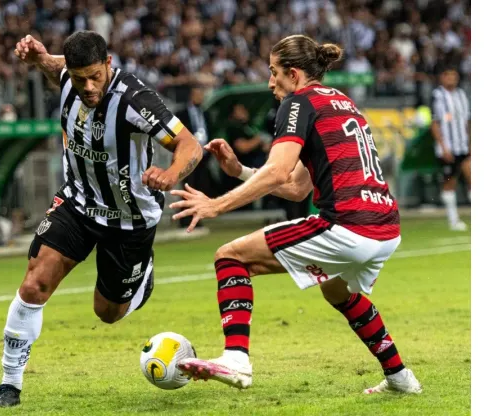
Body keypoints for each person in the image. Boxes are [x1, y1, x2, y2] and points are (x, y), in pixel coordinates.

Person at [169, 35, 422, 395]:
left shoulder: (297, 103)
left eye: (273, 73)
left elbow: (276, 172)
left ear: (293, 73)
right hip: (385, 227)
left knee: (230, 257)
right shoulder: (342, 102)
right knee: (337, 291)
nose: (270, 82)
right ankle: (400, 377)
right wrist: (240, 170)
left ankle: (236, 360)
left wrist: (215, 204)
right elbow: (296, 187)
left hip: (347, 225)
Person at [0, 31, 202, 408]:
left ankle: (142, 277)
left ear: (108, 65)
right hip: (79, 203)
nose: (86, 86)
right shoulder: (70, 77)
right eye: (79, 76)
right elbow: (57, 68)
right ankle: (9, 386)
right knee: (35, 283)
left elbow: (189, 145)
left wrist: (171, 174)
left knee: (108, 312)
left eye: (94, 76)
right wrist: (38, 57)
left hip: (130, 218)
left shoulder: (135, 100)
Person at [430, 64, 470, 231]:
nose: (452, 79)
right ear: (442, 78)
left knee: (472, 177)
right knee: (449, 183)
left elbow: (468, 121)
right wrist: (443, 147)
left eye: (454, 76)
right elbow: (435, 123)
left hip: (464, 146)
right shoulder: (437, 95)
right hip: (447, 149)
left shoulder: (462, 94)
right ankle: (453, 220)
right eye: (448, 76)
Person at [175, 86, 218, 227]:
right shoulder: (182, 113)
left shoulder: (205, 113)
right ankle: (185, 219)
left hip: (203, 155)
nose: (201, 97)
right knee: (187, 186)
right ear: (192, 95)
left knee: (200, 186)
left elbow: (209, 130)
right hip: (187, 155)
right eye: (198, 94)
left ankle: (197, 216)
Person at [221, 103, 271, 199]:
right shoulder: (233, 128)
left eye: (244, 109)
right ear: (233, 114)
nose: (244, 112)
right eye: (240, 110)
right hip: (242, 170)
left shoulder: (249, 127)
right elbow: (242, 147)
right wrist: (258, 139)